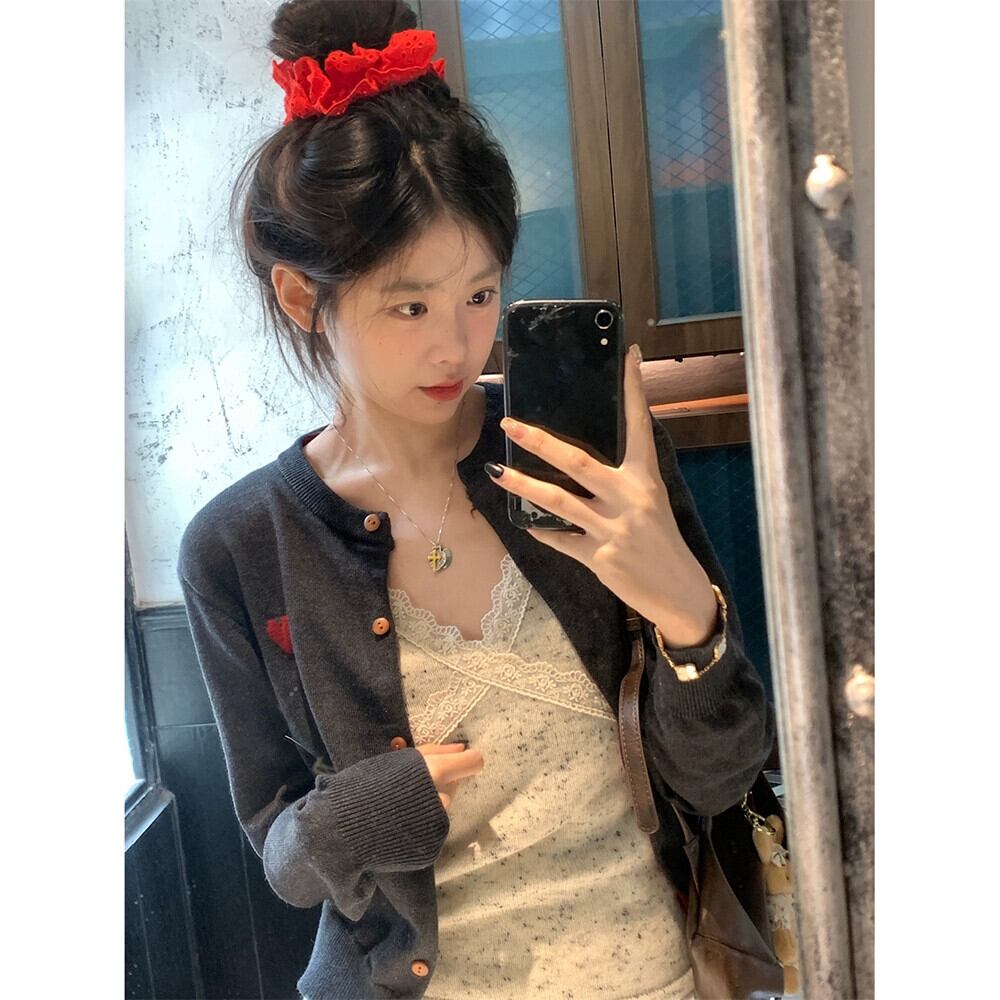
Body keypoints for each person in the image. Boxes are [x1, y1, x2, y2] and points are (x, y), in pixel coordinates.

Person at [176, 3, 775, 999]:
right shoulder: (239, 546)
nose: (456, 345)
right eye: (408, 305)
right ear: (301, 297)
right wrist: (372, 805)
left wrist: (687, 619)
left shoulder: (590, 461)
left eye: (481, 294)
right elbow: (283, 859)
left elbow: (719, 778)